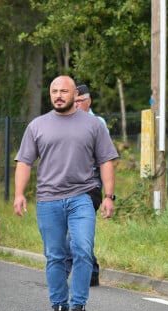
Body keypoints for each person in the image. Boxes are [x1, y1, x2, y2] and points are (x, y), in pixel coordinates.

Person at [13, 75, 118, 311]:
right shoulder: (37, 126)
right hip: (48, 199)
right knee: (55, 255)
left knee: (82, 249)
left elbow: (106, 160)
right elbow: (25, 162)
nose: (58, 95)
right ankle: (59, 307)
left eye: (64, 91)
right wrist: (19, 193)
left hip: (81, 196)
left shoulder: (93, 124)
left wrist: (108, 196)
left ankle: (78, 308)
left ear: (75, 95)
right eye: (54, 91)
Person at [64, 83, 110, 286]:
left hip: (90, 184)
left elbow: (105, 157)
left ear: (88, 101)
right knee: (78, 230)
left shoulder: (97, 123)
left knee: (74, 231)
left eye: (78, 102)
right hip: (67, 183)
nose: (74, 105)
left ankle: (62, 272)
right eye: (72, 102)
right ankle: (91, 270)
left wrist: (109, 194)